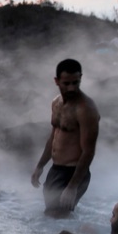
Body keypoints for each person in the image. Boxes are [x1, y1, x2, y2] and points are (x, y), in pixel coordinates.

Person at [31, 59, 100, 216]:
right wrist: (40, 166)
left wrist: (72, 186)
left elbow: (88, 151)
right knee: (52, 216)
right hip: (56, 169)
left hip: (74, 172)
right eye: (66, 83)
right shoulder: (56, 103)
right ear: (56, 81)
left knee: (56, 215)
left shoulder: (86, 109)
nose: (71, 88)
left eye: (76, 82)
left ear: (81, 78)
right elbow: (54, 137)